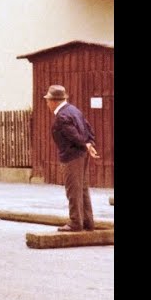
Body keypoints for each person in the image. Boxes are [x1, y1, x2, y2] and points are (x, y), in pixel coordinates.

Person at [44, 84, 100, 232]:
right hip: (82, 154)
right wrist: (89, 144)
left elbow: (73, 135)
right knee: (82, 189)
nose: (47, 103)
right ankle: (88, 222)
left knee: (73, 189)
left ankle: (75, 222)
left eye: (48, 100)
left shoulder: (62, 116)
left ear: (54, 101)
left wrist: (85, 144)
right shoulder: (74, 110)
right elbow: (88, 129)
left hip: (72, 156)